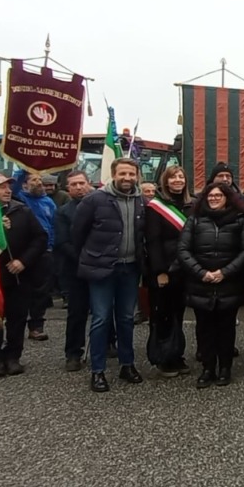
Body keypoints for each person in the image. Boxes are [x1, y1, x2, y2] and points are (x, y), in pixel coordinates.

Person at [74, 157, 147, 393]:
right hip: (102, 269)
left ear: (137, 176)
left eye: (131, 174)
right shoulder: (94, 200)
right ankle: (98, 370)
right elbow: (78, 234)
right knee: (101, 318)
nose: (127, 178)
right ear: (114, 174)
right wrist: (93, 260)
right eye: (122, 173)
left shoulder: (142, 201)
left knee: (126, 318)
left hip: (130, 268)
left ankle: (127, 365)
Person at [179, 182, 244, 387]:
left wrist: (224, 273)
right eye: (210, 195)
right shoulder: (194, 220)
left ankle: (225, 368)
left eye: (219, 195)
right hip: (201, 283)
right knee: (204, 328)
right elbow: (183, 250)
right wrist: (202, 273)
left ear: (227, 197)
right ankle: (208, 368)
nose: (214, 198)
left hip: (229, 283)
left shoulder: (240, 221)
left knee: (226, 329)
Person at [0, 173, 47, 377]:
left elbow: (39, 238)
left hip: (18, 276)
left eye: (9, 186)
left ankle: (13, 357)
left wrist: (23, 261)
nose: (8, 190)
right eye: (1, 187)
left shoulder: (22, 211)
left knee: (17, 318)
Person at [145, 165, 192, 377]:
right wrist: (160, 271)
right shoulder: (155, 207)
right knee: (162, 314)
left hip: (184, 268)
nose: (178, 180)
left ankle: (176, 354)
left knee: (178, 314)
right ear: (166, 181)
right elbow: (153, 242)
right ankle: (162, 357)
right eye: (173, 177)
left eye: (181, 177)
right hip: (165, 269)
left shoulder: (191, 205)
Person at [55, 170, 97, 371]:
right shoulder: (63, 212)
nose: (79, 187)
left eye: (82, 183)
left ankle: (108, 343)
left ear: (89, 184)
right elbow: (63, 242)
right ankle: (73, 353)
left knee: (105, 310)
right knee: (77, 313)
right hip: (76, 269)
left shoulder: (101, 204)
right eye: (73, 184)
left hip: (101, 267)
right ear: (67, 188)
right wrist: (84, 259)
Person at [11, 169, 57, 342]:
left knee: (41, 291)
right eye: (33, 180)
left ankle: (36, 326)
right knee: (21, 290)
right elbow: (14, 184)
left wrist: (51, 246)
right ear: (25, 184)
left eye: (40, 179)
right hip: (23, 252)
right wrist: (26, 166)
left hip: (44, 252)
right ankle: (16, 327)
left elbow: (53, 226)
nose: (38, 182)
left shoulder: (48, 202)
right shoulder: (20, 199)